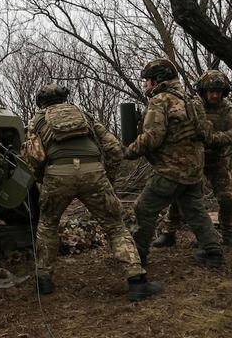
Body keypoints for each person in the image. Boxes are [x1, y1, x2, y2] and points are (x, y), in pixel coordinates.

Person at [23, 83, 162, 302]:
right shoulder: (83, 114)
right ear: (64, 99)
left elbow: (33, 157)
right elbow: (114, 148)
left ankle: (44, 281)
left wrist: (44, 179)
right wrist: (109, 178)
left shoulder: (36, 121)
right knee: (116, 227)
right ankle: (137, 281)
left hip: (57, 174)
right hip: (93, 172)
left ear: (41, 102)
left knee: (48, 225)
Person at [124, 59, 224, 268]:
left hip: (170, 171)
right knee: (195, 210)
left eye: (148, 81)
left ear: (159, 79)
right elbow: (207, 133)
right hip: (194, 170)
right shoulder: (193, 100)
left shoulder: (161, 100)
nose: (145, 85)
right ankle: (213, 251)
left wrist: (128, 151)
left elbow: (152, 138)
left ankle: (137, 258)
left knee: (143, 209)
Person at [153, 70, 232, 249]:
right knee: (180, 197)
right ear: (203, 91)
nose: (214, 95)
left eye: (218, 92)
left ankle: (228, 233)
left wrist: (215, 138)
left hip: (217, 160)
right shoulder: (192, 105)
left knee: (227, 198)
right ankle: (169, 232)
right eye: (211, 91)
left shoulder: (226, 108)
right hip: (194, 159)